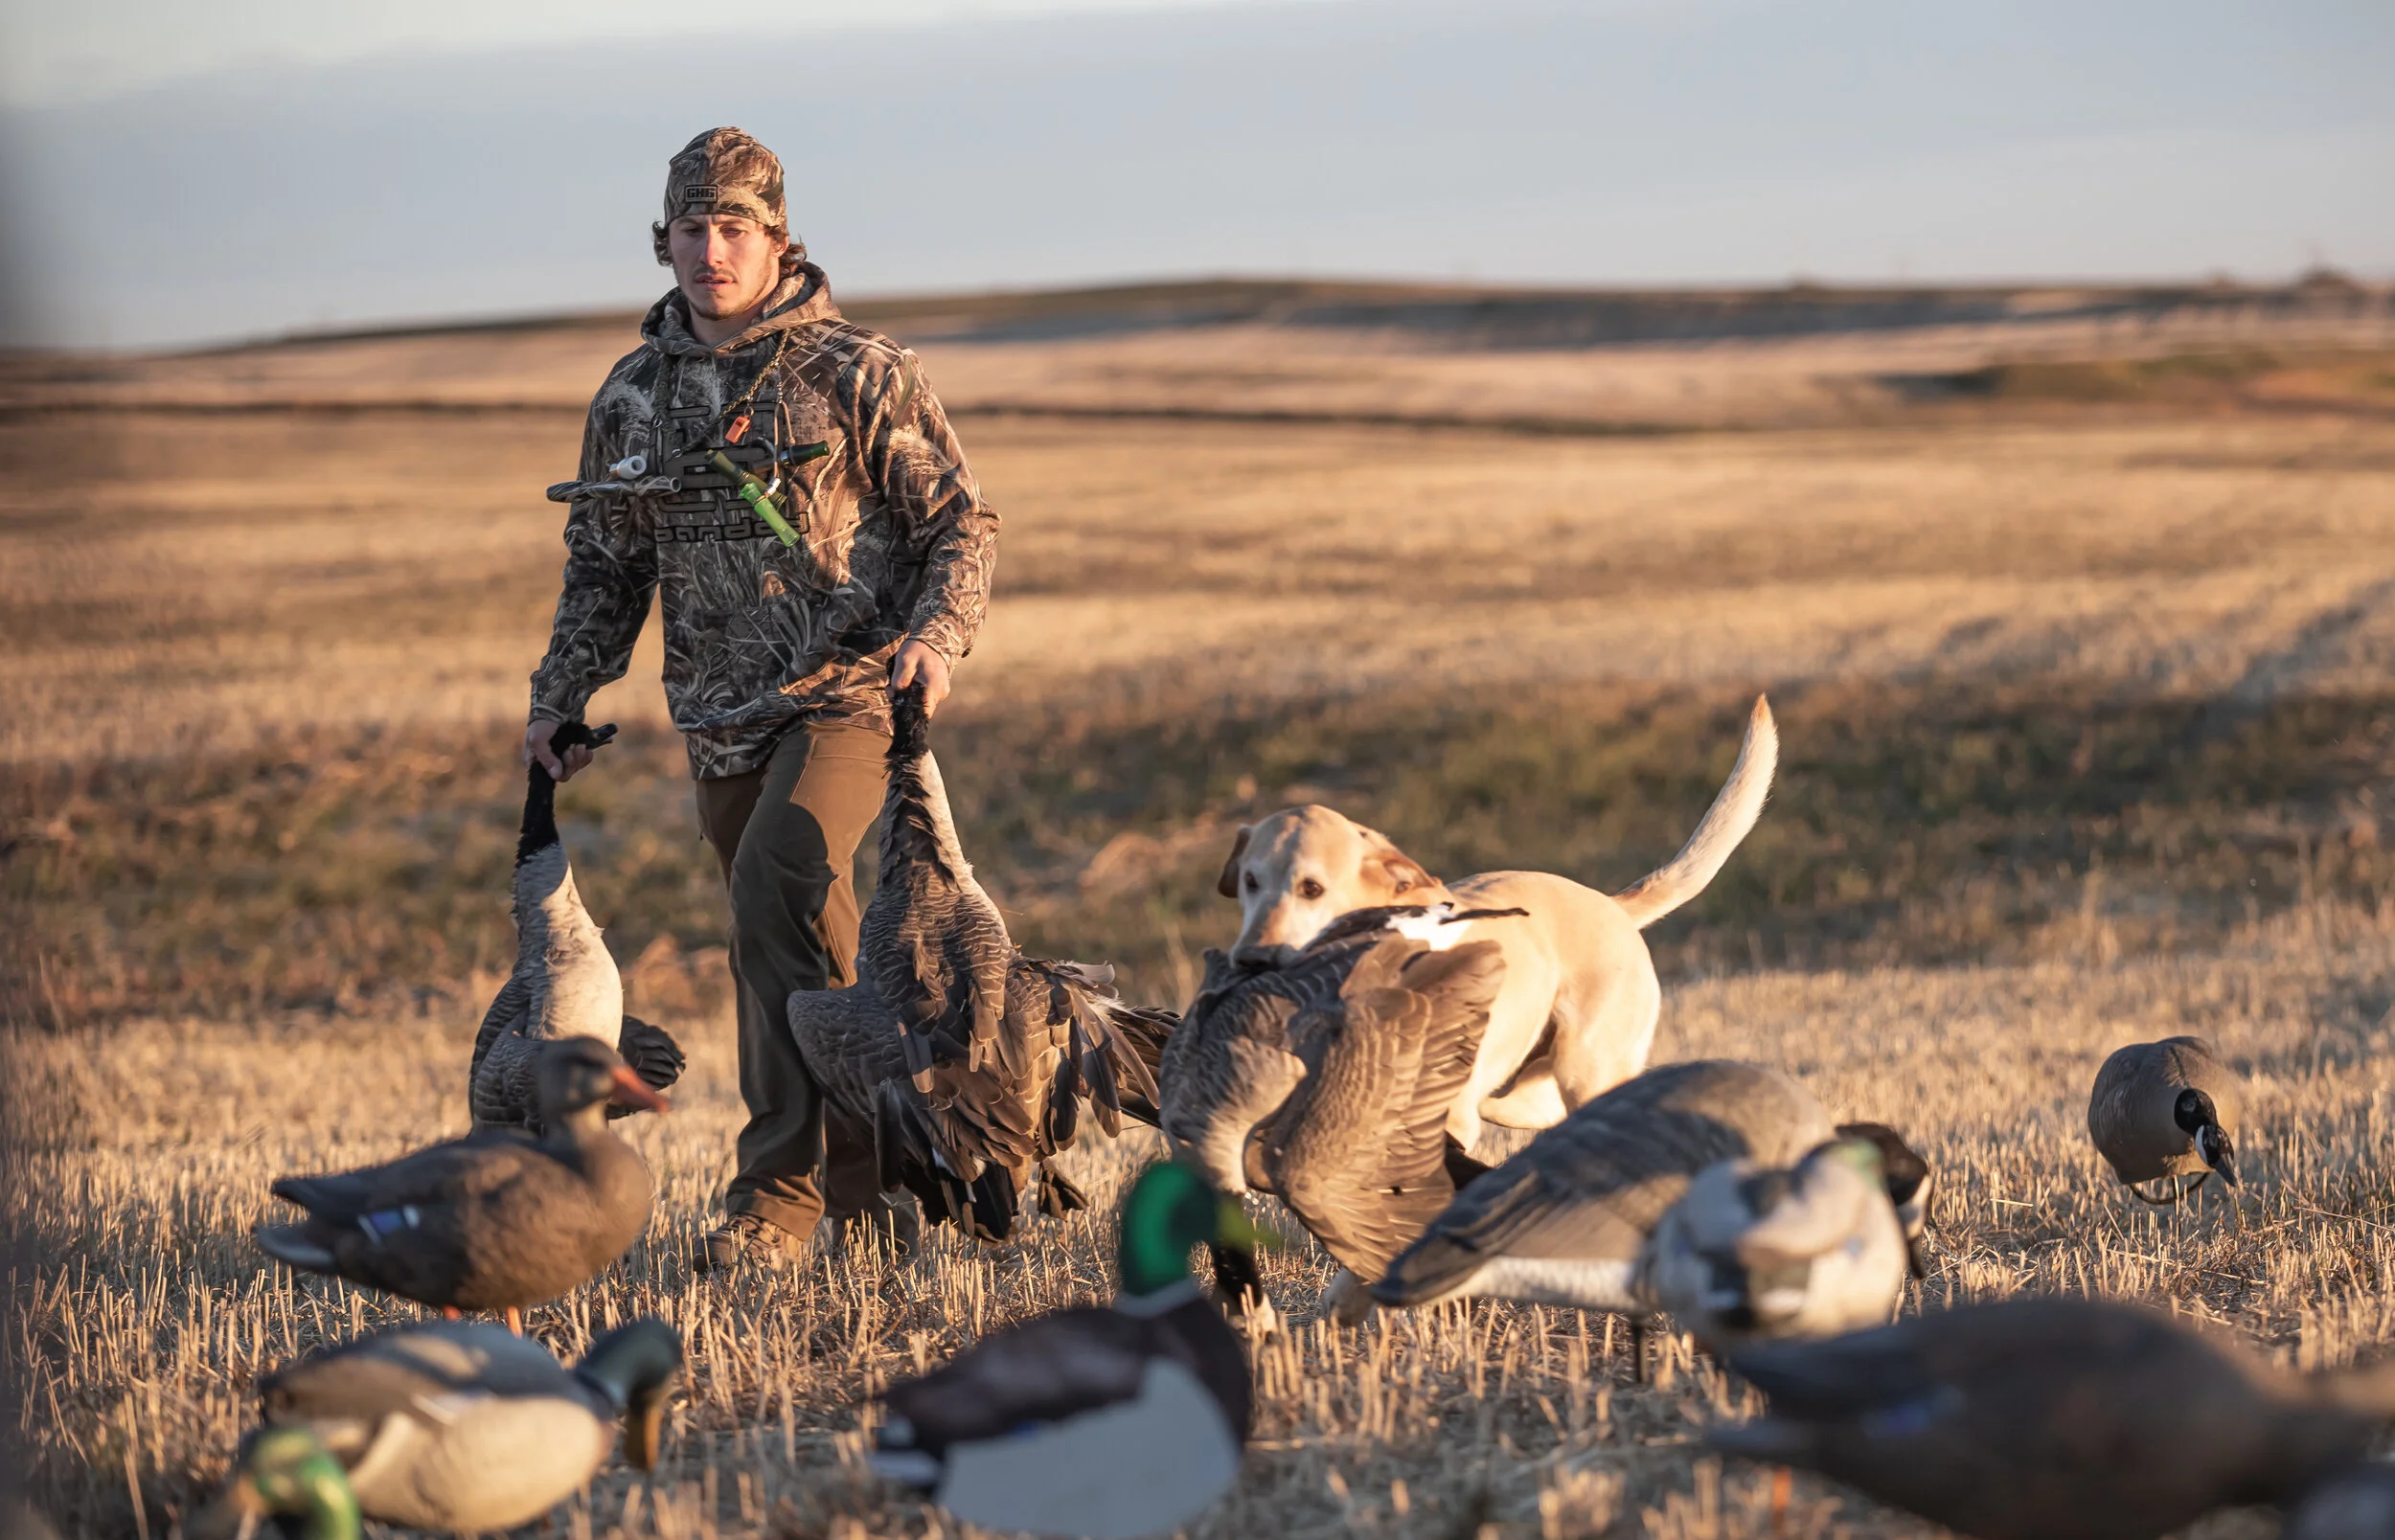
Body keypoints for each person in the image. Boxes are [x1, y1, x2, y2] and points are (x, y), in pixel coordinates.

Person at [524, 126, 997, 1271]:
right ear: (664, 241)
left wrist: (935, 638)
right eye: (692, 228)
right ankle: (893, 1180)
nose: (711, 249)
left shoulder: (857, 370)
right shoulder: (633, 397)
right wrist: (561, 695)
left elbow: (958, 525)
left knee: (775, 882)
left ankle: (775, 1200)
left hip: (846, 694)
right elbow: (606, 566)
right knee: (807, 943)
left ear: (777, 238)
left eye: (734, 227)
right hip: (716, 716)